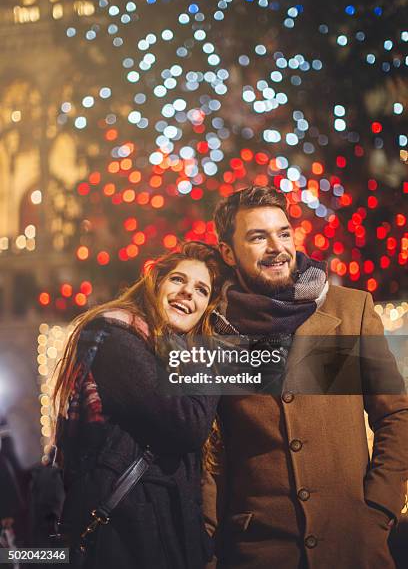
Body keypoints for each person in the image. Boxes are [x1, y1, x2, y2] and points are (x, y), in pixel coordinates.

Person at [202, 186, 408, 569]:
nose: (276, 247)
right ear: (228, 252)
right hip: (256, 550)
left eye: (283, 233)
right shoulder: (213, 330)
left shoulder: (350, 309)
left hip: (355, 544)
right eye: (257, 236)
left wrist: (380, 507)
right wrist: (207, 546)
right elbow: (207, 453)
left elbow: (395, 414)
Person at [53, 242, 225, 569]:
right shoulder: (118, 337)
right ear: (156, 284)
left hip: (168, 539)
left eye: (201, 290)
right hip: (126, 538)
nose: (188, 292)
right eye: (178, 280)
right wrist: (211, 354)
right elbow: (187, 424)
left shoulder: (173, 357)